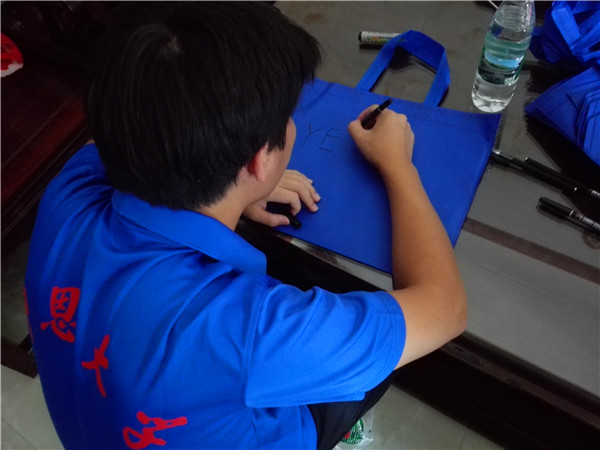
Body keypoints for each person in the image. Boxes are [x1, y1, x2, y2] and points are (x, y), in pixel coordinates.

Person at [24, 2, 467, 449]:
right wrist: (397, 164)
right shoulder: (252, 329)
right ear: (258, 161)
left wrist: (230, 190)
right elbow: (445, 309)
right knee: (380, 346)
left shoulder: (68, 194)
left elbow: (127, 127)